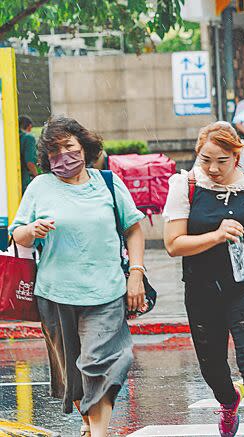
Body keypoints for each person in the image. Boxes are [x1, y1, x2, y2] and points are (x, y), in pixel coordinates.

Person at [9, 116, 146, 437]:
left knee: (103, 362)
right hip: (56, 293)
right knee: (74, 371)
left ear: (83, 146)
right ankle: (89, 422)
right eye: (54, 151)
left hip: (107, 291)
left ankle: (97, 433)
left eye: (69, 147)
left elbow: (134, 229)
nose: (64, 156)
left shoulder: (108, 183)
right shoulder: (41, 186)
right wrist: (32, 229)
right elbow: (18, 235)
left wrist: (136, 273)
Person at [162, 121, 244, 437]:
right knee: (212, 364)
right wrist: (216, 235)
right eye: (206, 159)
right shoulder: (186, 186)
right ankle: (229, 399)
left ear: (237, 155)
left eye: (222, 160)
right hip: (202, 288)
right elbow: (172, 244)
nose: (213, 168)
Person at [18, 115, 39, 192]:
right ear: (29, 126)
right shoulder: (28, 138)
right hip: (24, 178)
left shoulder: (14, 137)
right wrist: (37, 177)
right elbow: (30, 162)